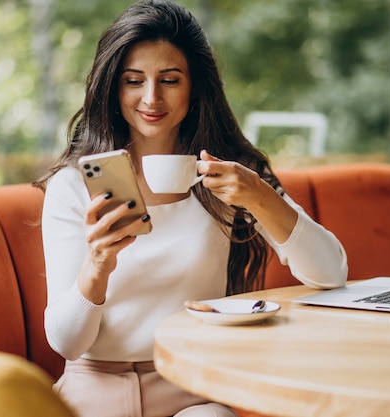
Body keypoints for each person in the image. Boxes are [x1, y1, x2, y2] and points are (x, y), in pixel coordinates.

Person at [34, 1, 348, 416]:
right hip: (94, 389)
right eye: (134, 80)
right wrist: (97, 265)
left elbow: (331, 273)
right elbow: (67, 343)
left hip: (192, 384)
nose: (151, 98)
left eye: (170, 80)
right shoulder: (74, 187)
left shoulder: (229, 176)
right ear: (113, 86)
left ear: (195, 86)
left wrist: (260, 196)